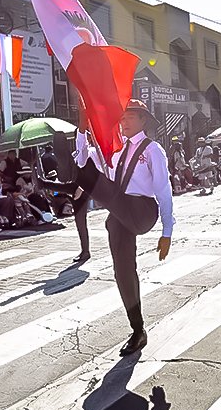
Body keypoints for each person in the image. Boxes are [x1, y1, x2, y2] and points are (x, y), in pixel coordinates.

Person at [74, 99, 174, 356]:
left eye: (130, 117)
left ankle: (74, 191)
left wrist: (167, 232)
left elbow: (163, 190)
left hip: (141, 211)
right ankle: (138, 329)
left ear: (143, 120)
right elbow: (84, 158)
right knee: (123, 272)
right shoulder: (115, 150)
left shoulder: (153, 150)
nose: (124, 122)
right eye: (122, 117)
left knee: (89, 179)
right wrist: (83, 130)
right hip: (119, 215)